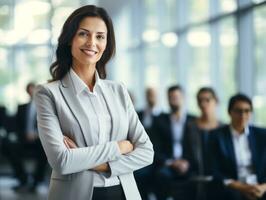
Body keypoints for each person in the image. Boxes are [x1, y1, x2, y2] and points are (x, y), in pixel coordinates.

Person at [34, 5, 154, 200]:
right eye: (83, 34)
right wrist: (119, 148)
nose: (92, 42)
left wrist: (89, 160)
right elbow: (62, 161)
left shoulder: (118, 90)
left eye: (100, 36)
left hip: (124, 193)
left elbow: (147, 152)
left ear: (107, 43)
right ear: (69, 39)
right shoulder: (48, 93)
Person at [209, 93, 266, 200]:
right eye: (238, 111)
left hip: (259, 186)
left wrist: (263, 187)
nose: (243, 115)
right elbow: (214, 170)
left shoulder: (262, 136)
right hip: (233, 187)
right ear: (229, 112)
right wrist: (242, 187)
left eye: (247, 111)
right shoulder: (216, 136)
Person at [152, 85, 196, 200]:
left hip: (188, 164)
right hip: (168, 163)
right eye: (171, 97)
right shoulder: (160, 120)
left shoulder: (194, 120)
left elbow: (196, 149)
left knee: (197, 179)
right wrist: (171, 162)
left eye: (176, 97)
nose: (173, 100)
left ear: (183, 98)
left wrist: (186, 162)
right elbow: (155, 148)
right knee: (160, 175)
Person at [4, 82, 47, 192]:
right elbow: (17, 126)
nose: (32, 92)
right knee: (9, 147)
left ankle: (37, 181)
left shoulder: (45, 106)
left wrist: (36, 134)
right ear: (27, 92)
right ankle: (22, 178)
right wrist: (24, 135)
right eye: (30, 90)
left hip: (39, 139)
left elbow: (48, 125)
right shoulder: (22, 107)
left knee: (45, 150)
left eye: (34, 89)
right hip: (24, 139)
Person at [185, 87, 222, 200]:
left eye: (207, 100)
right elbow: (186, 151)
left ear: (216, 101)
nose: (203, 104)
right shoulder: (190, 126)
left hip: (219, 174)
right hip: (195, 173)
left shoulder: (224, 127)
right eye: (200, 100)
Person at [135, 87, 161, 200]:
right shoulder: (139, 114)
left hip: (159, 157)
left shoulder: (163, 116)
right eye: (149, 95)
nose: (151, 97)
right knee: (138, 175)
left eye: (153, 94)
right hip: (142, 155)